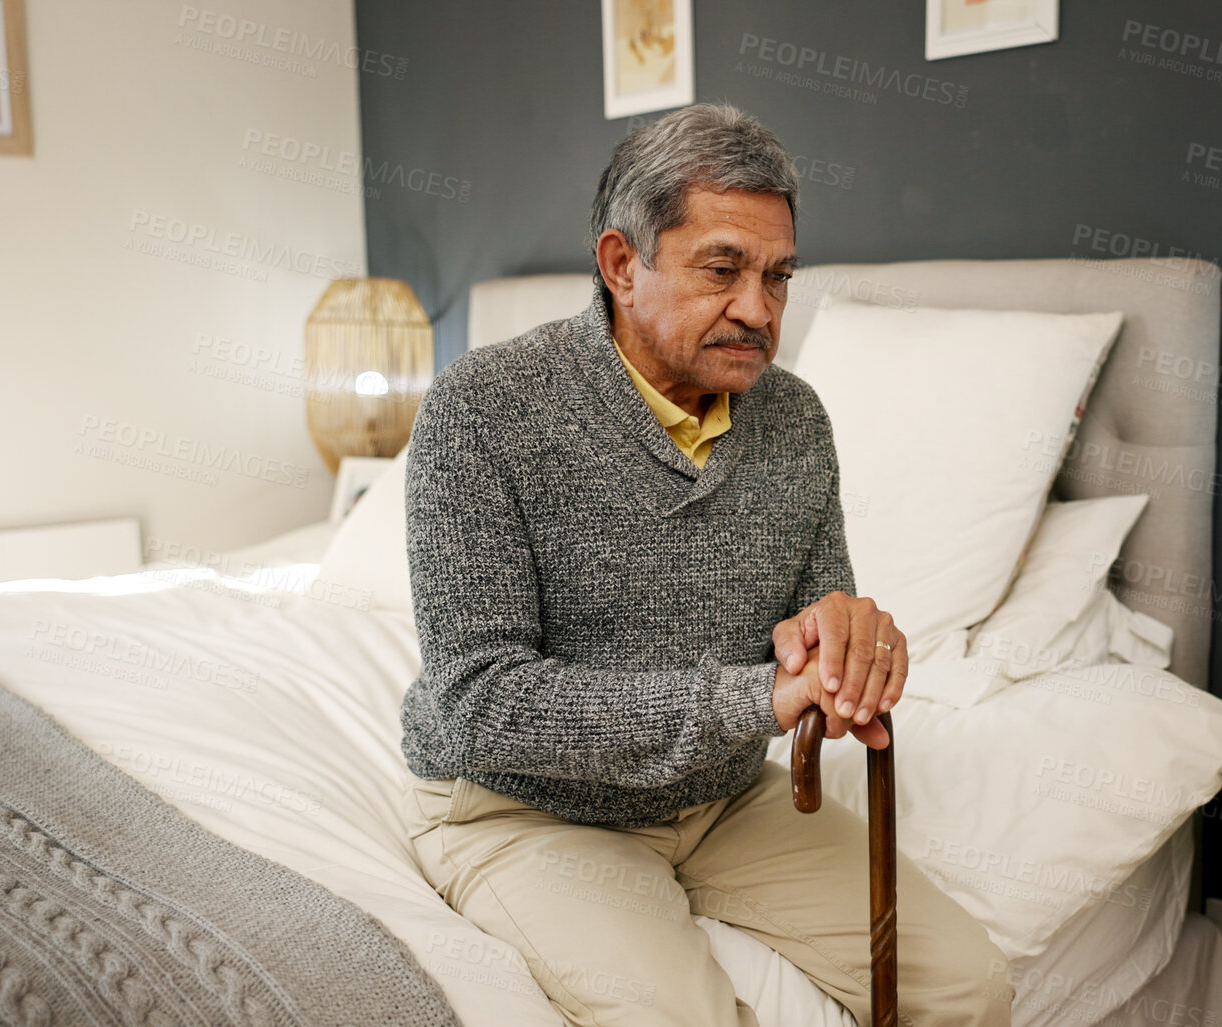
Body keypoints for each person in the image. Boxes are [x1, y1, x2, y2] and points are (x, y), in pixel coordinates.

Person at [398, 104, 1011, 1027]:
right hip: (528, 809)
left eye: (778, 276)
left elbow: (813, 622)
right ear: (620, 264)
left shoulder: (794, 419)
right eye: (722, 269)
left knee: (969, 987)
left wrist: (848, 649)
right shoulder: (481, 411)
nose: (759, 311)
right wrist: (751, 700)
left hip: (724, 798)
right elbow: (481, 702)